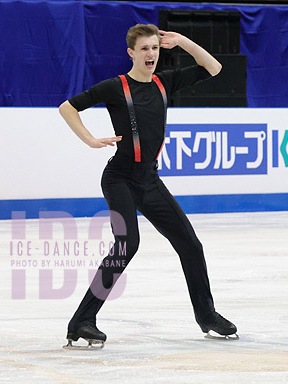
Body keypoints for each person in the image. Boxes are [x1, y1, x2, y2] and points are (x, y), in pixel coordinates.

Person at [59, 24, 237, 348]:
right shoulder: (116, 87)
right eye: (144, 49)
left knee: (190, 245)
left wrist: (181, 41)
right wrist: (90, 140)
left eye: (155, 48)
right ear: (131, 53)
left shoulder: (164, 82)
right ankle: (82, 320)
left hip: (150, 180)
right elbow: (67, 107)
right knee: (127, 244)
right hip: (120, 178)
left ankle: (207, 315)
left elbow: (214, 67)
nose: (151, 54)